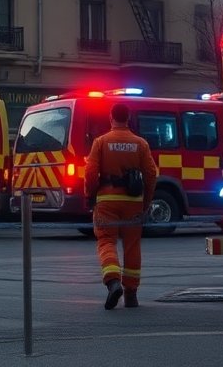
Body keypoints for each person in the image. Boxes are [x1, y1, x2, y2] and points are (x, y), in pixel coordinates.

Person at [84, 104, 158, 310]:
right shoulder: (140, 143)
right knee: (132, 246)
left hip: (107, 201)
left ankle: (113, 281)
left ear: (111, 117)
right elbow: (151, 175)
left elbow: (90, 173)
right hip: (133, 203)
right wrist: (146, 202)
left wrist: (90, 196)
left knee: (106, 241)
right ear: (129, 118)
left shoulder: (101, 142)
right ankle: (131, 294)